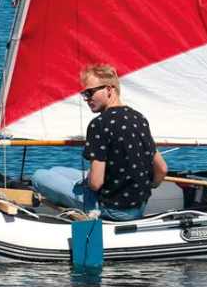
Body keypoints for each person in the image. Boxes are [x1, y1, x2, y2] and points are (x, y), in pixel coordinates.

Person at [32, 63, 168, 221]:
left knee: (38, 176)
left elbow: (96, 184)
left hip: (110, 209)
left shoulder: (100, 124)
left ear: (109, 89)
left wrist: (88, 183)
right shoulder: (139, 118)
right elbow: (162, 169)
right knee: (57, 170)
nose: (86, 99)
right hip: (138, 206)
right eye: (84, 94)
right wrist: (148, 187)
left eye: (90, 93)